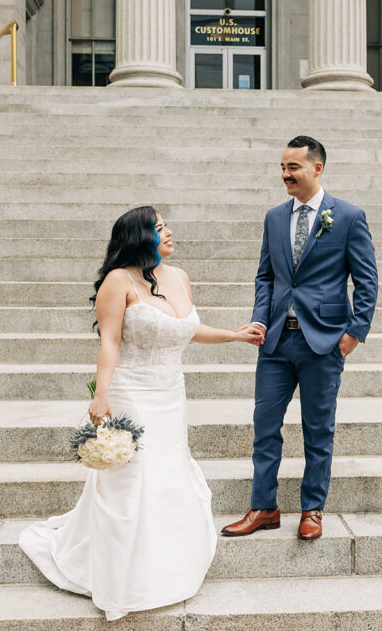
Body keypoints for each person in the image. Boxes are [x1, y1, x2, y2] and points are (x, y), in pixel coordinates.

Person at [19, 205, 263, 622]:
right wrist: (102, 395)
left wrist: (233, 336)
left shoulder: (180, 277)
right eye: (160, 228)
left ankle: (167, 565)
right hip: (133, 391)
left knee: (168, 475)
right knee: (131, 482)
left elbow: (184, 330)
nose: (169, 233)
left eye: (166, 226)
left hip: (171, 394)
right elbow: (110, 341)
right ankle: (121, 576)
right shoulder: (118, 281)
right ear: (139, 237)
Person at [222, 135, 378, 541]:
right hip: (275, 343)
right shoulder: (274, 217)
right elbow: (265, 276)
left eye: (293, 167)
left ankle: (313, 509)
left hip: (323, 342)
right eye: (282, 167)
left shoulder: (347, 216)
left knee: (318, 428)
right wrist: (259, 320)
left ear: (317, 168)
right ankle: (263, 507)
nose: (285, 175)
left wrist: (354, 333)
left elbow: (366, 280)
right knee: (265, 426)